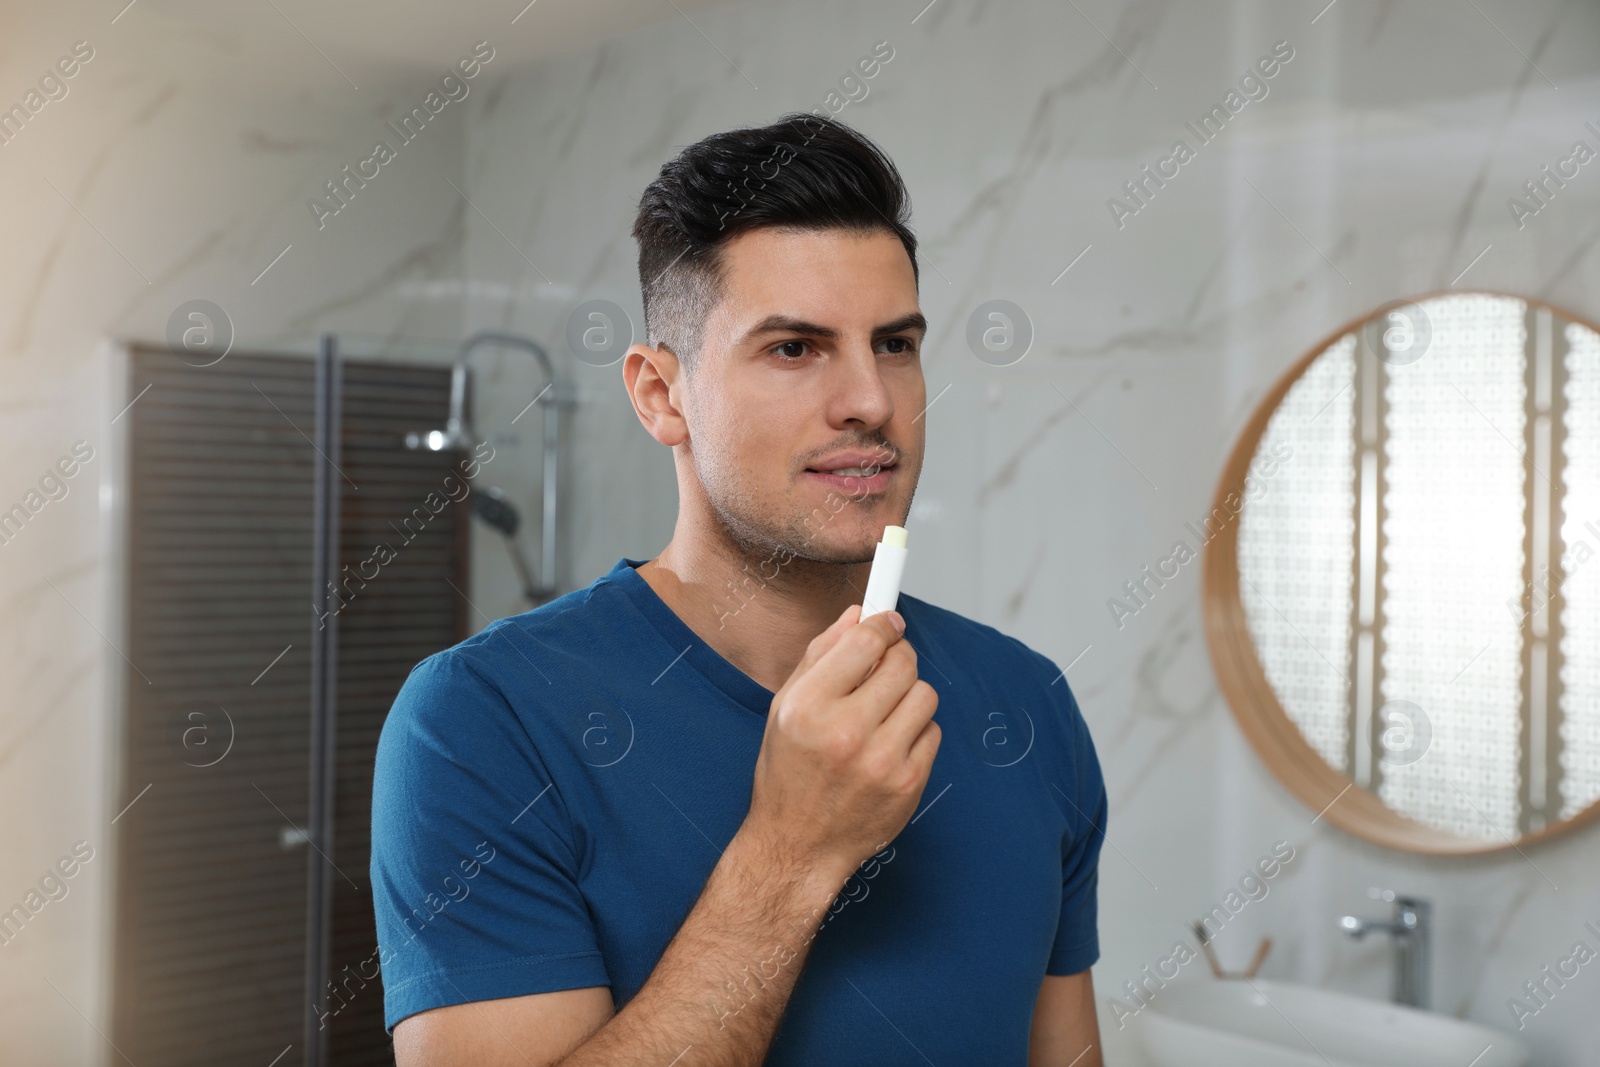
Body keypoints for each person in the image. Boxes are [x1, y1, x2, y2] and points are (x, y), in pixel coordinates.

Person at [370, 111, 1107, 1066]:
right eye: (795, 348)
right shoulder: (481, 721)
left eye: (894, 343)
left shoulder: (1028, 700)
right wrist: (793, 851)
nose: (871, 401)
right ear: (661, 395)